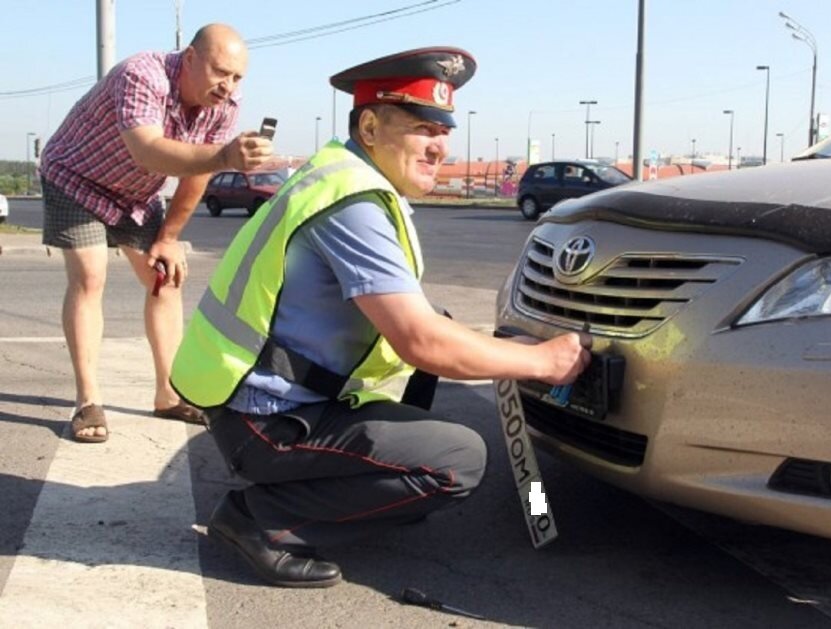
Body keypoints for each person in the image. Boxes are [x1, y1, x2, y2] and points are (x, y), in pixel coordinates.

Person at [170, 47, 591, 588]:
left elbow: (416, 324)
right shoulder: (352, 203)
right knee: (459, 458)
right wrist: (542, 361)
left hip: (259, 401)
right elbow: (420, 340)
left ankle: (361, 490)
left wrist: (492, 347)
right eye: (422, 128)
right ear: (369, 126)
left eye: (444, 131)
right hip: (268, 421)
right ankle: (262, 522)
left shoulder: (341, 179)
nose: (439, 145)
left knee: (428, 408)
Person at [40, 24, 273, 443]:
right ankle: (88, 400)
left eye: (238, 78)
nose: (228, 87)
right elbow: (146, 150)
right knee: (90, 276)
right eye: (221, 72)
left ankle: (167, 394)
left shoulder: (225, 105)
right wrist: (223, 156)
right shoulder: (141, 74)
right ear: (189, 58)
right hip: (75, 177)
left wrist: (168, 238)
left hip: (135, 193)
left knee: (165, 281)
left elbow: (198, 172)